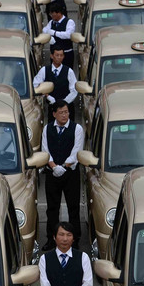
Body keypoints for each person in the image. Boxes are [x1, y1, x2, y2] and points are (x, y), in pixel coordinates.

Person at [41, 101, 84, 251]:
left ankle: (75, 240)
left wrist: (64, 166)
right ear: (54, 114)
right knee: (52, 208)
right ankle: (51, 239)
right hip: (52, 173)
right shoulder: (47, 128)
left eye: (66, 112)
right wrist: (54, 166)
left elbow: (77, 151)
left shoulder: (77, 128)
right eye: (61, 112)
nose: (64, 115)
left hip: (70, 173)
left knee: (73, 208)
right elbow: (45, 150)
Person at [33, 46, 78, 120]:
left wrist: (63, 103)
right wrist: (47, 96)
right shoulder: (44, 70)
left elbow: (74, 90)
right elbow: (36, 86)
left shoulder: (69, 71)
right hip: (52, 108)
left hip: (67, 108)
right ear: (51, 56)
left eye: (61, 55)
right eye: (57, 55)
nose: (59, 57)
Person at [42, 3, 75, 68]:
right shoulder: (51, 22)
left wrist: (54, 33)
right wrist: (49, 37)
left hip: (66, 54)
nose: (51, 16)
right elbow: (45, 30)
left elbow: (68, 35)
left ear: (58, 13)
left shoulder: (69, 22)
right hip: (54, 55)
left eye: (52, 14)